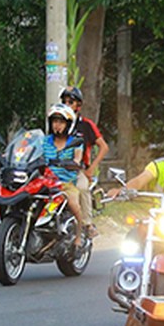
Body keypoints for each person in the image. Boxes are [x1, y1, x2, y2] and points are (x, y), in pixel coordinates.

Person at [59, 86, 109, 225]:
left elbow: (104, 147)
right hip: (56, 168)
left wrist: (91, 169)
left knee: (81, 188)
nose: (67, 105)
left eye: (70, 102)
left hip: (77, 169)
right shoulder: (56, 123)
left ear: (78, 105)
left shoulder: (86, 125)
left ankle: (87, 224)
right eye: (64, 102)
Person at [41, 103, 89, 244]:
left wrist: (72, 163)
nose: (57, 125)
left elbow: (77, 159)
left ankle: (79, 235)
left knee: (73, 203)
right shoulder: (45, 141)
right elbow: (33, 153)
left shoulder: (75, 142)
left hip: (66, 183)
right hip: (46, 181)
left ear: (68, 124)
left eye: (61, 122)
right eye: (55, 121)